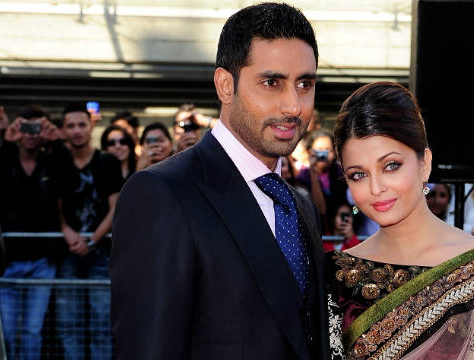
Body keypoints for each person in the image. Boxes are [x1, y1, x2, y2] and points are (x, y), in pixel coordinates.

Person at [110, 3, 329, 359]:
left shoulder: (299, 204)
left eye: (304, 83)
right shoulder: (162, 193)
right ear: (226, 86)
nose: (294, 105)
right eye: (272, 82)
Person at [327, 82, 474, 359]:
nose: (376, 188)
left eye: (391, 166)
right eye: (358, 174)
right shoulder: (336, 273)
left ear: (425, 164)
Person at [0, 106, 71, 359]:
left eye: (37, 127)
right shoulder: (5, 160)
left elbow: (70, 179)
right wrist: (5, 138)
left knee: (32, 330)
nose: (31, 133)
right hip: (9, 261)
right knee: (9, 329)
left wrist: (56, 140)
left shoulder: (52, 162)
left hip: (42, 260)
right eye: (26, 126)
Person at [57, 103, 123, 360]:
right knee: (67, 324)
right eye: (70, 126)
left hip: (101, 253)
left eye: (81, 124)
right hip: (68, 252)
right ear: (63, 130)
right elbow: (56, 204)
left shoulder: (106, 161)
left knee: (100, 324)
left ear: (91, 125)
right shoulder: (59, 162)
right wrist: (65, 229)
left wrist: (92, 240)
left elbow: (115, 207)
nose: (76, 131)